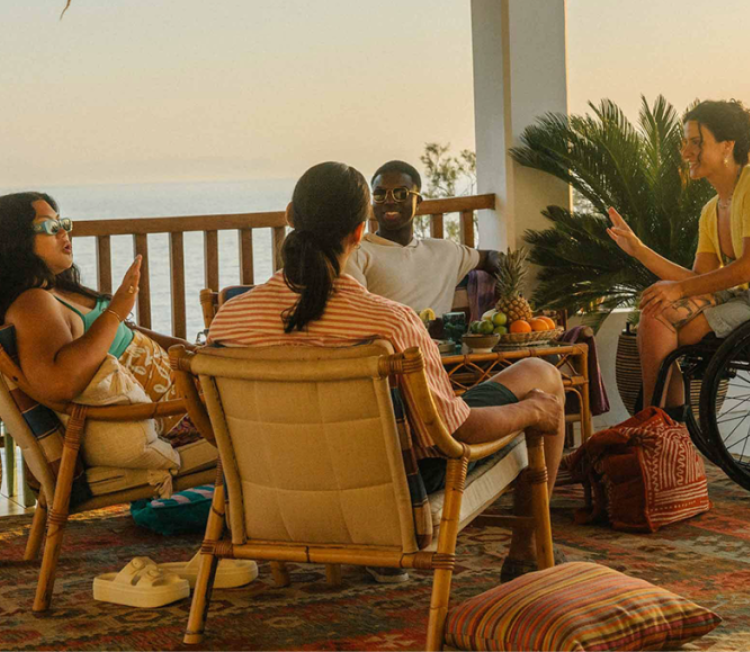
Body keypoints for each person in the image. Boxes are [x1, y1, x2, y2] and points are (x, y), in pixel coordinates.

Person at [207, 161, 564, 582]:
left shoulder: (230, 320)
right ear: (361, 232)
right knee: (542, 376)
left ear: (289, 216)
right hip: (384, 499)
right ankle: (527, 552)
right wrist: (533, 413)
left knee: (532, 378)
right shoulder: (389, 324)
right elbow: (457, 431)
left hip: (269, 498)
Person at [606, 100, 750, 412]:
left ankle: (655, 421)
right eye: (685, 143)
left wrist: (678, 290)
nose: (685, 153)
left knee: (686, 328)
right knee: (654, 314)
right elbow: (699, 281)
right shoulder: (712, 210)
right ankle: (662, 421)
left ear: (726, 146)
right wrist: (639, 250)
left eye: (696, 142)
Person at [0, 192, 191, 434]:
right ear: (15, 240)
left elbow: (125, 335)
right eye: (51, 226)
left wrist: (187, 351)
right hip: (176, 417)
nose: (63, 233)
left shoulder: (57, 289)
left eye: (62, 224)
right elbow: (59, 383)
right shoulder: (33, 304)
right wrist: (115, 312)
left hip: (185, 398)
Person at [343, 160, 504, 318]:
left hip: (439, 343)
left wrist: (510, 291)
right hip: (386, 342)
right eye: (380, 194)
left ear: (417, 202)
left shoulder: (445, 251)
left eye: (401, 194)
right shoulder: (358, 253)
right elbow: (356, 315)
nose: (390, 201)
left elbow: (490, 257)